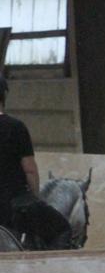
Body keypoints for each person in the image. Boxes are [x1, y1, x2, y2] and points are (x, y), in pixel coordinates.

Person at [0, 75, 72, 250]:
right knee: (63, 229)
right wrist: (34, 197)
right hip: (11, 207)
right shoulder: (16, 127)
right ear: (3, 96)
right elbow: (30, 170)